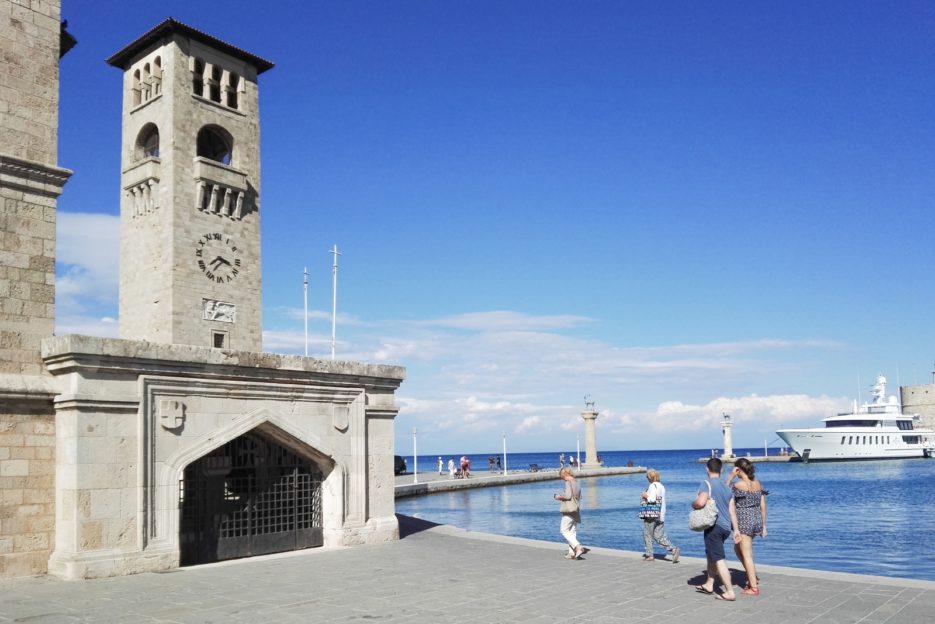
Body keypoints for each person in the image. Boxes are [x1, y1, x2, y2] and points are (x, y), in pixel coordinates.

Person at [692, 457, 737, 601]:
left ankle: (729, 592)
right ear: (721, 470)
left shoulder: (706, 484)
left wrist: (694, 504)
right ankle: (709, 584)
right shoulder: (727, 487)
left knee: (719, 559)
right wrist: (736, 530)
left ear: (707, 469)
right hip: (725, 527)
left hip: (714, 527)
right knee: (712, 555)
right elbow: (732, 511)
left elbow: (700, 502)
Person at [727, 458, 767, 596]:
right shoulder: (757, 483)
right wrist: (763, 525)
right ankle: (752, 576)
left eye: (735, 469)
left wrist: (731, 476)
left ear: (739, 469)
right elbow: (763, 506)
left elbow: (725, 491)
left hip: (744, 521)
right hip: (756, 519)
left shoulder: (739, 484)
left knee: (747, 554)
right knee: (738, 548)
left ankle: (753, 587)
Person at [640, 469, 680, 563]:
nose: (647, 479)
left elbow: (652, 500)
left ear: (650, 477)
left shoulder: (652, 486)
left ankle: (649, 555)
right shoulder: (661, 486)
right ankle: (673, 549)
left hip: (651, 514)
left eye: (647, 477)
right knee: (659, 536)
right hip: (660, 514)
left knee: (647, 534)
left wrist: (645, 495)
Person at [553, 467, 587, 559]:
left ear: (565, 475)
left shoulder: (568, 482)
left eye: (562, 476)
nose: (562, 478)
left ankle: (578, 547)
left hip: (569, 510)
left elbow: (567, 496)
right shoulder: (576, 482)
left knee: (563, 530)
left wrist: (558, 497)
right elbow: (579, 497)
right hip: (576, 509)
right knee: (572, 531)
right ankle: (572, 553)